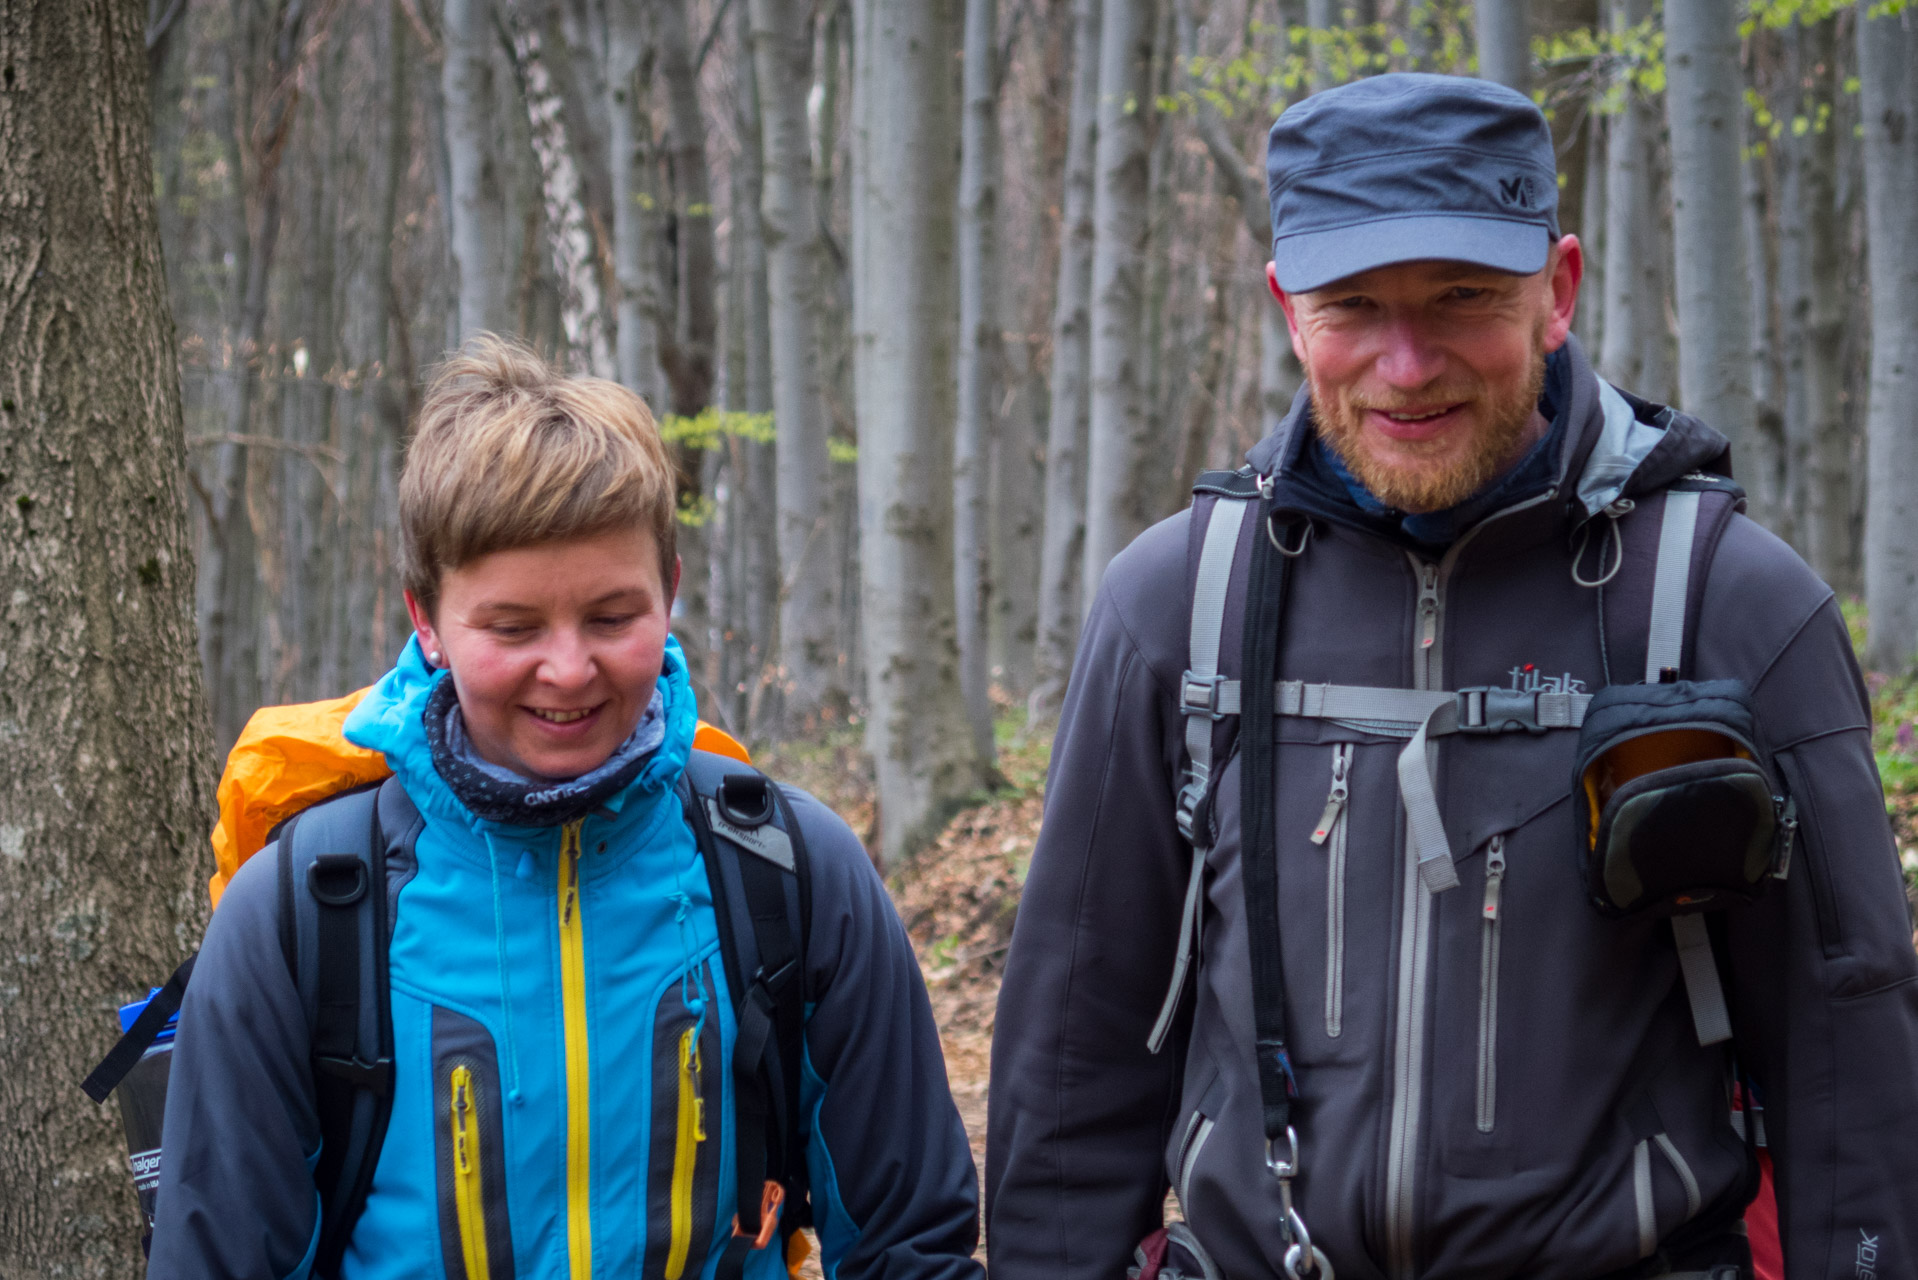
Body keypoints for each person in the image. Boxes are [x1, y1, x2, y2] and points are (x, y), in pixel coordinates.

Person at [986, 73, 1918, 1280]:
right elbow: (1075, 1035)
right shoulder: (1177, 606)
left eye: (1464, 297)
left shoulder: (1730, 604)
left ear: (1558, 291)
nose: (1407, 362)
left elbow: (1847, 1034)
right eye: (1353, 305)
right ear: (1286, 307)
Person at [150, 337, 983, 1280]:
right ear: (425, 620)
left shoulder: (788, 872)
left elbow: (913, 1246)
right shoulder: (302, 913)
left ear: (669, 593)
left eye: (612, 617)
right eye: (512, 628)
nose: (569, 669)